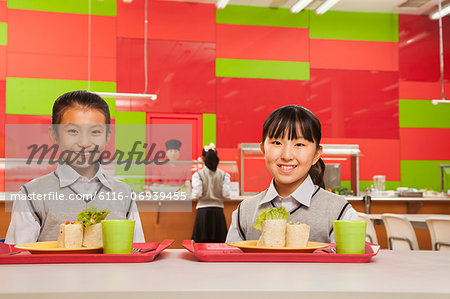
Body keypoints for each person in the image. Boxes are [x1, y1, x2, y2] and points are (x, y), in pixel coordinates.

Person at [5, 90, 145, 244]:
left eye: (95, 132)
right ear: (54, 135)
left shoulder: (124, 194)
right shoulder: (30, 195)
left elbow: (137, 250)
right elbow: (17, 258)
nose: (84, 143)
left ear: (107, 137)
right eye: (73, 131)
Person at [225, 105, 358, 243]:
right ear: (263, 149)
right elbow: (230, 262)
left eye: (299, 144)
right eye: (277, 142)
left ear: (316, 154)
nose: (287, 155)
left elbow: (351, 263)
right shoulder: (245, 211)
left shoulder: (340, 212)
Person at [191, 144, 231, 243]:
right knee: (219, 244)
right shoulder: (224, 175)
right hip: (218, 212)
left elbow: (197, 194)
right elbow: (226, 195)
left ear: (203, 159)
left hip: (203, 212)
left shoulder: (198, 175)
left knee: (201, 244)